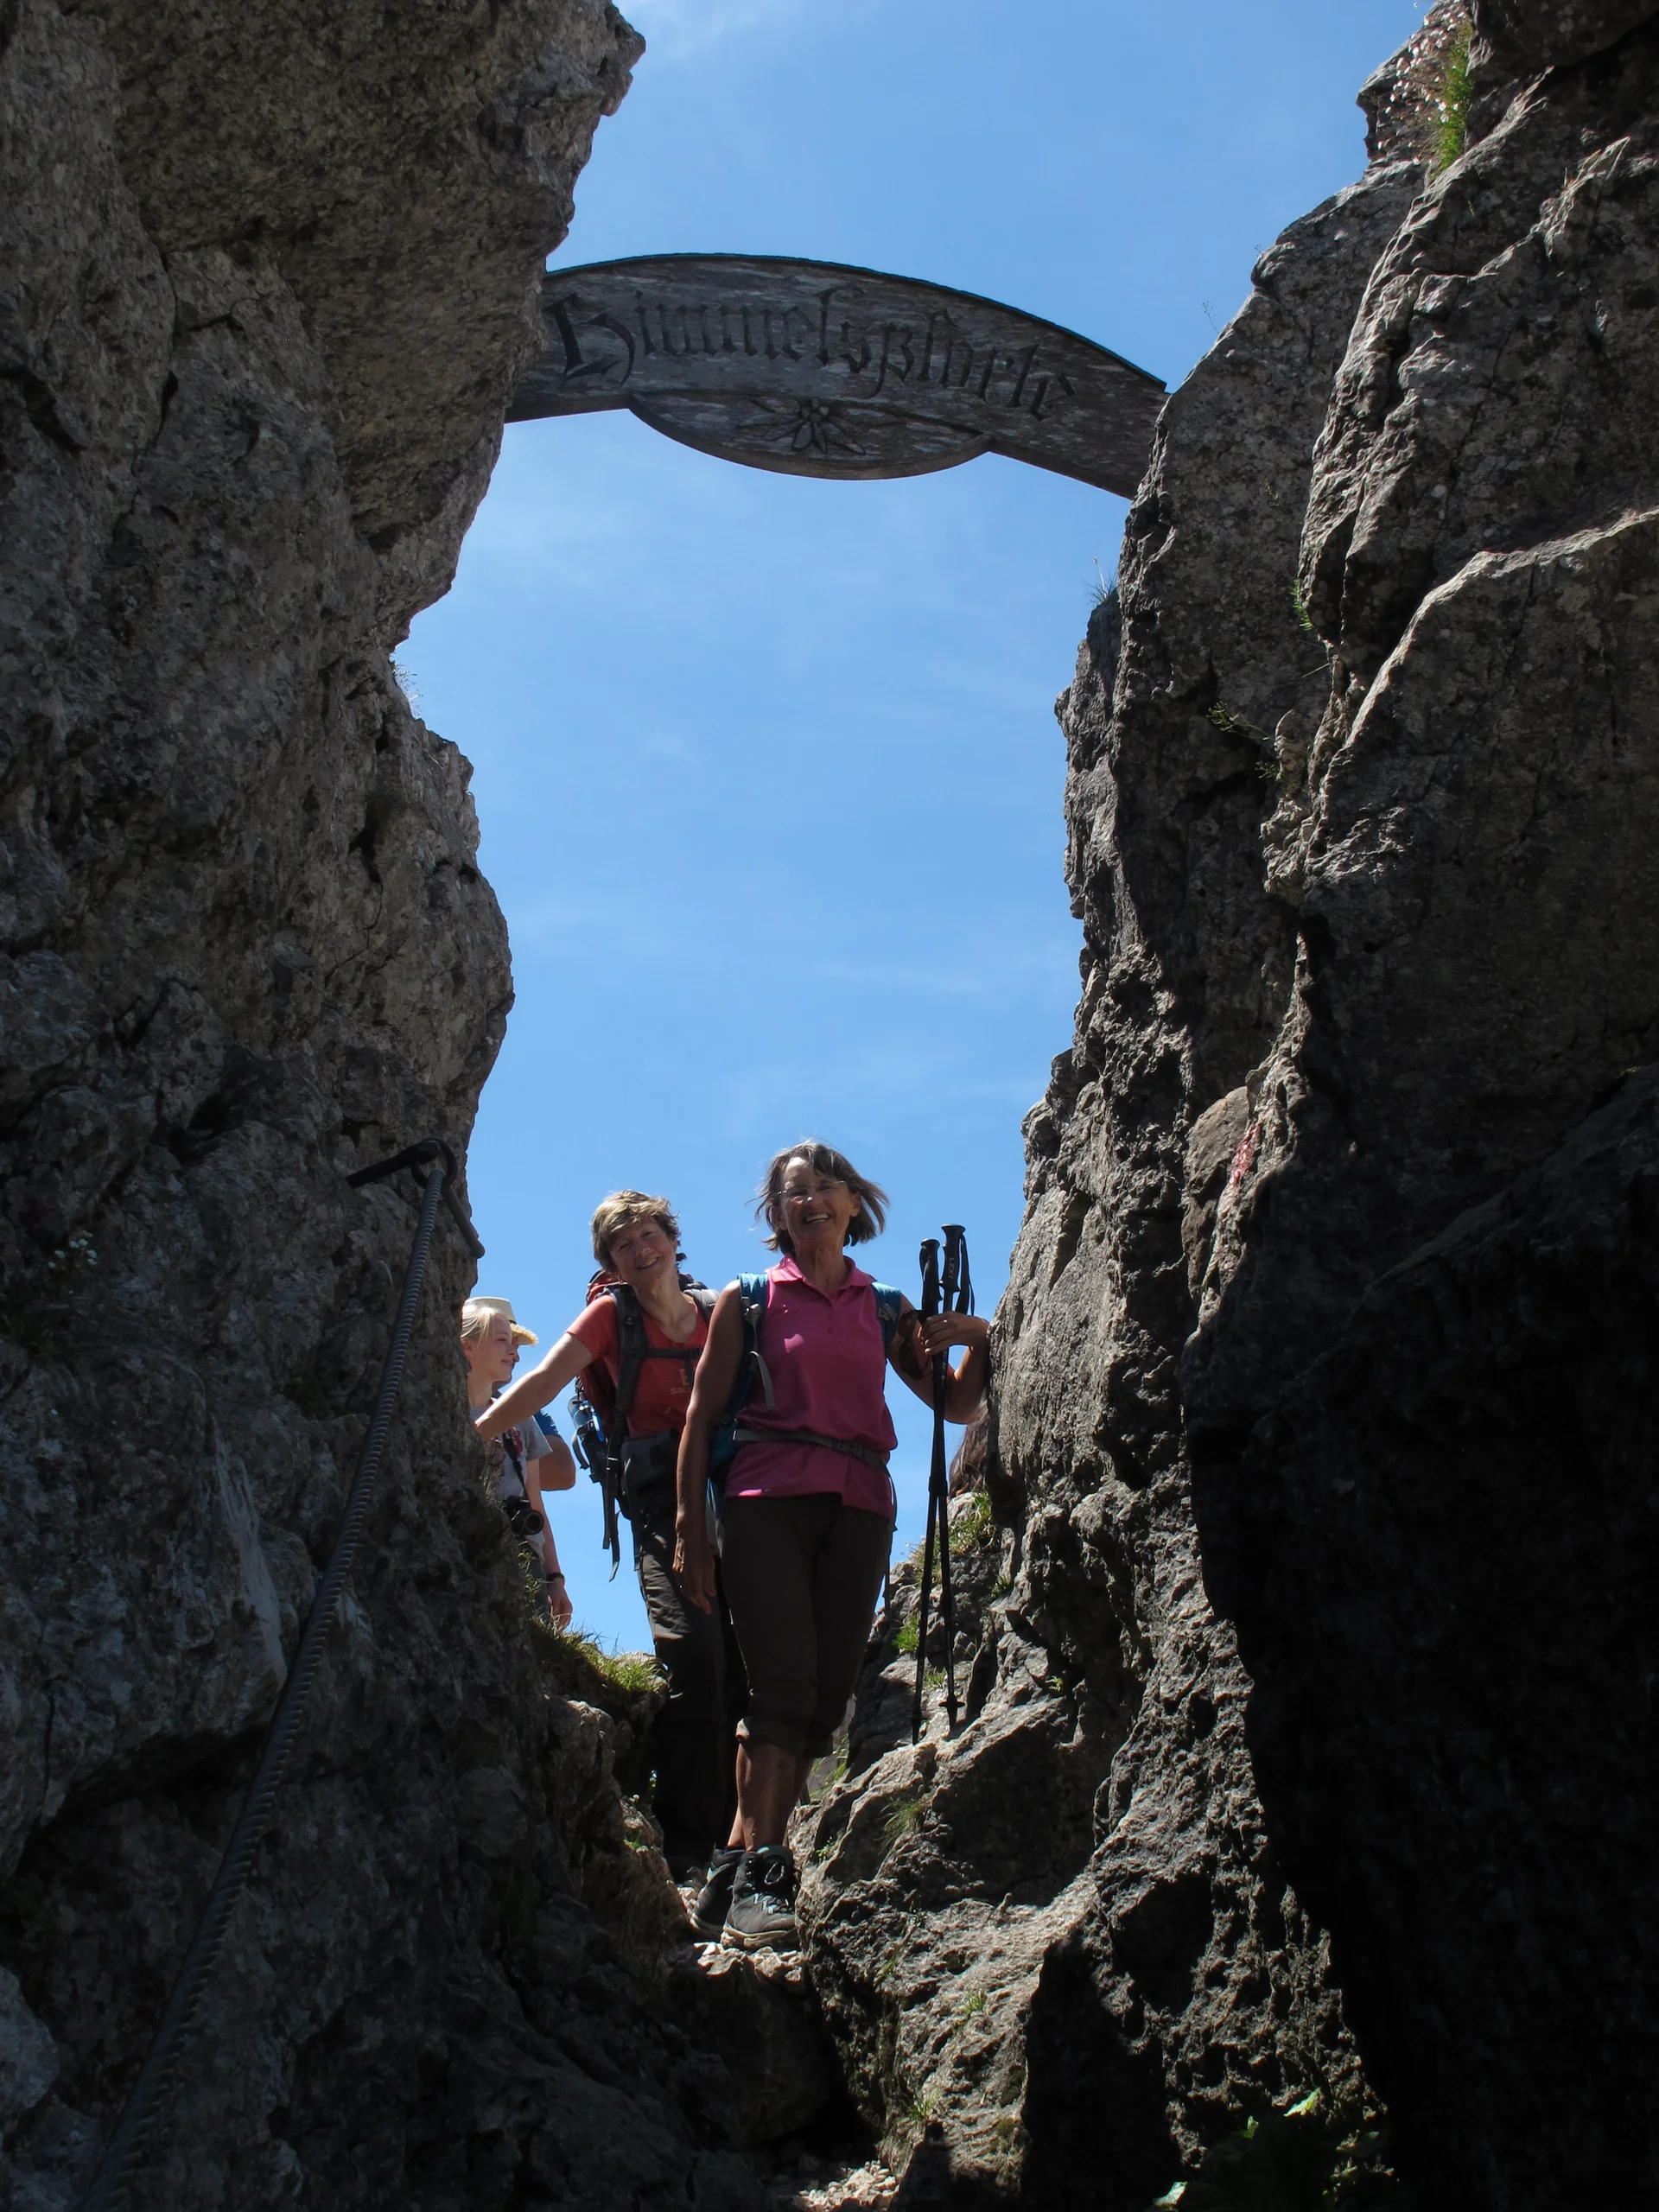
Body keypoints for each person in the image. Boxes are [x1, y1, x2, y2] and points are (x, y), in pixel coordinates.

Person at [674, 1141, 990, 1951]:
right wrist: (691, 1536)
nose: (807, 1201)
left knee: (820, 1704)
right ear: (776, 1216)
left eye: (823, 1188)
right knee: (781, 1688)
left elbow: (951, 1409)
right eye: (791, 1193)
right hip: (763, 1501)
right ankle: (767, 1879)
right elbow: (702, 1419)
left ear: (855, 1202)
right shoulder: (749, 1301)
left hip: (860, 1504)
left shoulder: (883, 1305)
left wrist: (979, 1339)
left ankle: (731, 1866)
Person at [474, 1192, 747, 1885]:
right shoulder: (609, 1317)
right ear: (611, 1263)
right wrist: (467, 1436)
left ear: (671, 1240)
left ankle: (746, 1844)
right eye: (623, 1245)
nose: (641, 1250)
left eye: (649, 1235)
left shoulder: (720, 1311)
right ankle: (689, 1847)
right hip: (661, 1503)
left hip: (740, 1496)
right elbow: (541, 1381)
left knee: (749, 1666)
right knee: (693, 1655)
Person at [461, 1297, 575, 1627]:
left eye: (515, 1344)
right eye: (503, 1341)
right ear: (466, 1347)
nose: (515, 1352)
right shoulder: (440, 1407)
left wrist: (554, 1576)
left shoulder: (523, 1419)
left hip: (525, 1554)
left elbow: (536, 1502)